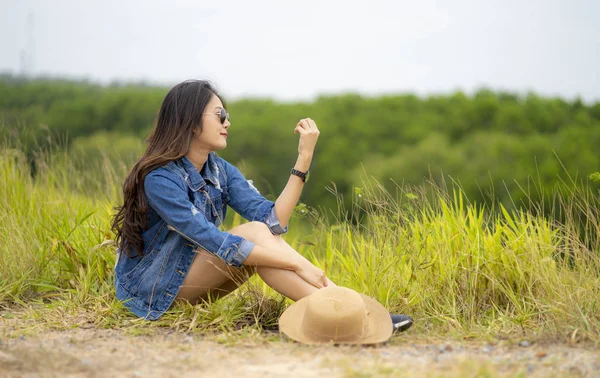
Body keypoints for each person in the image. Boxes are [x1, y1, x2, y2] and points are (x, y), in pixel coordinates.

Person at [111, 80, 413, 332]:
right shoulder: (160, 178)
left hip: (191, 278)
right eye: (220, 115)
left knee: (260, 233)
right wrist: (298, 263)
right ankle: (355, 315)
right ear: (189, 122)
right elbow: (211, 238)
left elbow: (273, 222)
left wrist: (303, 159)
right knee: (254, 236)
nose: (227, 122)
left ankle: (345, 314)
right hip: (153, 292)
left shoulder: (219, 170)